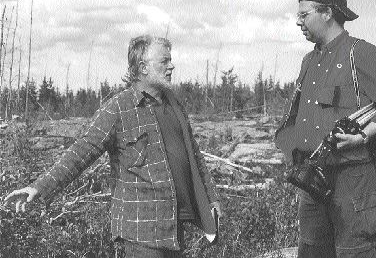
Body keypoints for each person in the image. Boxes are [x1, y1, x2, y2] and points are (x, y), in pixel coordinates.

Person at [4, 34, 221, 257]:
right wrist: (39, 187)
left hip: (174, 228)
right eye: (164, 61)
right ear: (143, 67)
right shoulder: (118, 108)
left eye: (170, 60)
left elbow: (195, 157)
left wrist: (211, 199)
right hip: (141, 232)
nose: (171, 65)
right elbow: (82, 150)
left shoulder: (174, 105)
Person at [275, 0, 376, 257]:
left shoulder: (361, 53)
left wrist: (362, 136)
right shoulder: (308, 61)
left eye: (304, 15)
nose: (298, 22)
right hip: (312, 180)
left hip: (353, 182)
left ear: (327, 13)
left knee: (358, 251)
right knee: (313, 252)